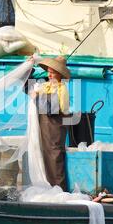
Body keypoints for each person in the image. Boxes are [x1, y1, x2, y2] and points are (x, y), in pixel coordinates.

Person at [31, 55, 70, 191]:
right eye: (49, 72)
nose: (50, 74)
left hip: (55, 127)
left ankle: (59, 189)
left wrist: (38, 97)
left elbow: (54, 109)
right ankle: (49, 188)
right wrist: (29, 66)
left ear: (59, 74)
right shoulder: (45, 86)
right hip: (45, 127)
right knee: (45, 156)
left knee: (54, 157)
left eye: (52, 72)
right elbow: (28, 87)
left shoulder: (62, 88)